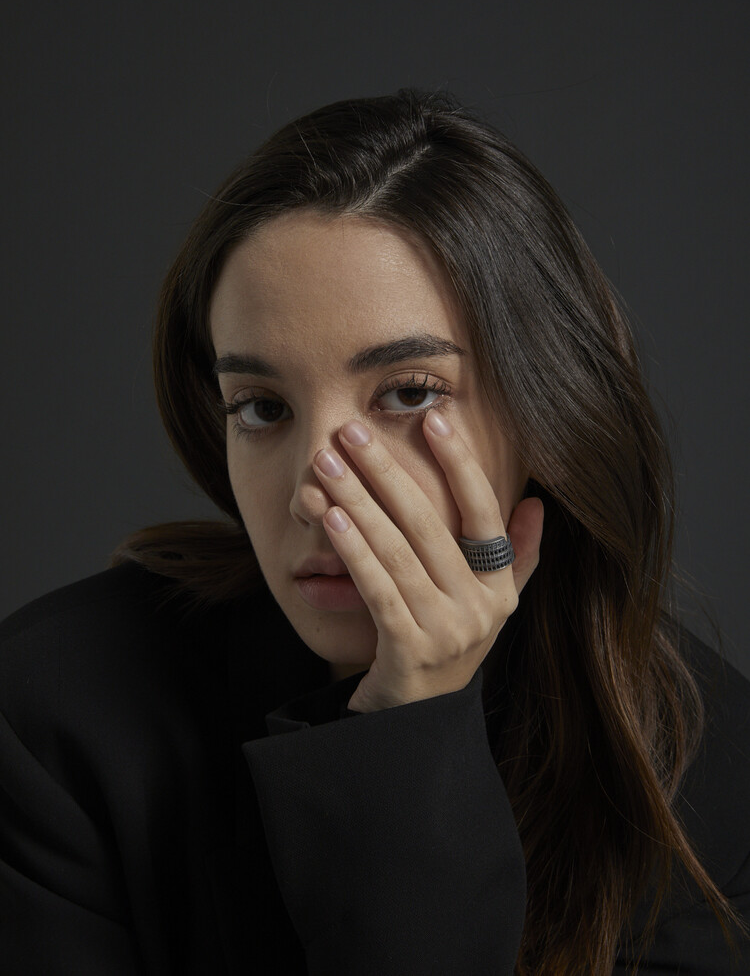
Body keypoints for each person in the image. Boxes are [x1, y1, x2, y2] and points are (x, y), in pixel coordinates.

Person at [1, 87, 749, 976]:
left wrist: (411, 736)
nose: (318, 491)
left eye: (408, 393)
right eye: (262, 407)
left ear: (545, 410)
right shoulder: (53, 716)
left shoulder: (691, 753)